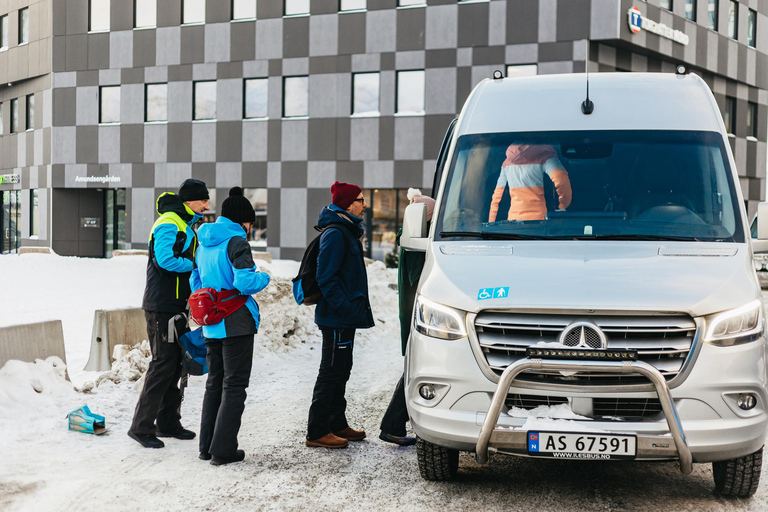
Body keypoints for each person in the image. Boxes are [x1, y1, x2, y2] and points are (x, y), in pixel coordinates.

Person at [191, 187, 271, 466]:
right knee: (235, 385)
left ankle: (206, 446)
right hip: (236, 322)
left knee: (215, 383)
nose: (250, 228)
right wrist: (264, 277)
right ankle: (223, 450)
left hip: (211, 324)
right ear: (242, 220)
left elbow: (196, 283)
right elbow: (245, 283)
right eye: (249, 223)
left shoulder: (203, 243)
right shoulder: (237, 242)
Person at [129, 178, 209, 449]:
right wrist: (194, 264)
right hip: (161, 306)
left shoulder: (187, 225)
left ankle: (168, 423)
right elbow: (164, 259)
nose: (207, 205)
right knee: (163, 363)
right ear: (189, 201)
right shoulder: (169, 222)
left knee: (177, 363)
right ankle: (141, 427)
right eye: (203, 200)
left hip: (177, 306)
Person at [306, 181, 375, 449]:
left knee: (342, 370)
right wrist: (344, 308)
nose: (364, 204)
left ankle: (336, 422)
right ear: (347, 204)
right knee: (331, 372)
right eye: (360, 199)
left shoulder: (346, 231)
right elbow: (326, 277)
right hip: (336, 318)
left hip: (342, 318)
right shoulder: (336, 234)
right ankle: (317, 431)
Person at [380, 190, 435, 447]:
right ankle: (391, 425)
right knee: (414, 369)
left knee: (412, 368)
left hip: (416, 311)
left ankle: (392, 424)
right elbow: (420, 280)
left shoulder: (409, 240)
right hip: (420, 312)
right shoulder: (416, 246)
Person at [488, 144, 572, 222]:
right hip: (540, 222)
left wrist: (491, 224)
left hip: (514, 224)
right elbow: (561, 177)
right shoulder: (545, 156)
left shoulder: (507, 162)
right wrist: (563, 205)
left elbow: (496, 197)